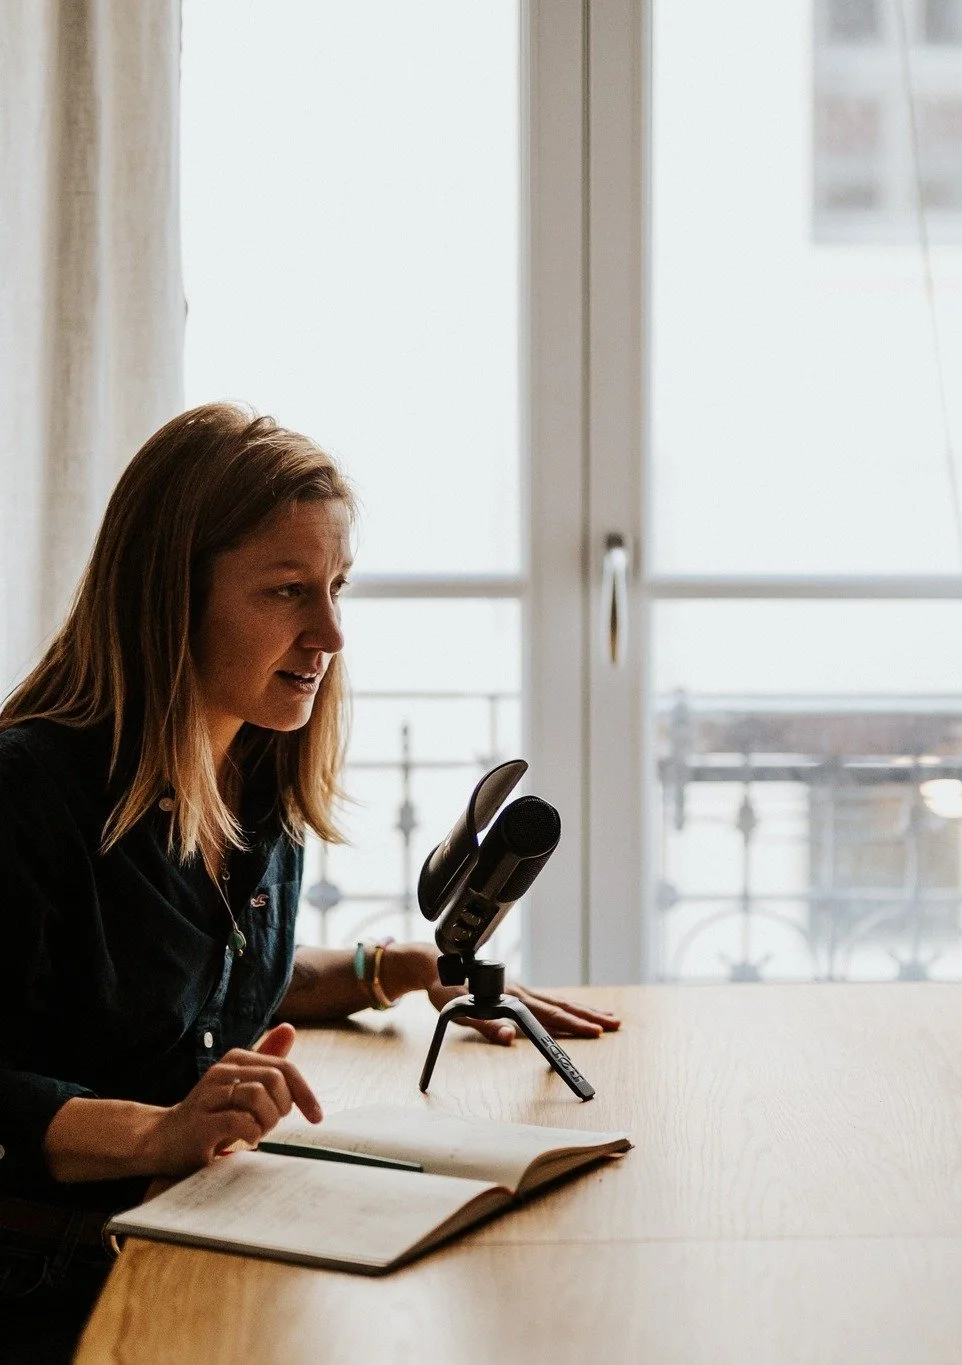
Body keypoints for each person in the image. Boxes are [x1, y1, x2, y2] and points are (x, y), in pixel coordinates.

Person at [0, 403, 618, 1360]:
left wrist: (400, 967)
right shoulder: (27, 792)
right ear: (172, 598)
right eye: (287, 591)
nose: (329, 632)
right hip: (55, 1290)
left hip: (205, 1248)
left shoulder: (254, 784)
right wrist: (158, 1133)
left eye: (337, 587)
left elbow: (179, 994)